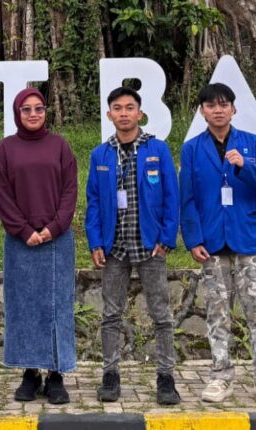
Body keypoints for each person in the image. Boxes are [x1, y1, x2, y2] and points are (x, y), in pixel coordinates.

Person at [179, 82, 256, 404]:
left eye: (224, 104)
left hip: (246, 238)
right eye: (211, 105)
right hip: (211, 241)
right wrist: (193, 239)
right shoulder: (191, 148)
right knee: (217, 314)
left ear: (234, 109)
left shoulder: (253, 143)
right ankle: (221, 377)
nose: (218, 110)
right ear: (202, 111)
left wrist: (244, 165)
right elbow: (187, 198)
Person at [85, 86, 180, 405]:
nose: (123, 113)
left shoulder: (157, 150)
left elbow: (172, 196)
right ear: (109, 114)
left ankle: (166, 377)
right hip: (114, 247)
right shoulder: (101, 154)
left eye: (129, 107)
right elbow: (93, 202)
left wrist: (167, 238)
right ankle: (110, 375)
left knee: (161, 314)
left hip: (150, 246)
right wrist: (95, 241)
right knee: (111, 314)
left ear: (140, 113)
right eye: (117, 108)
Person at [0, 87, 77, 405]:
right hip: (20, 242)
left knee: (56, 307)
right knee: (24, 308)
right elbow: (2, 195)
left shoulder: (60, 146)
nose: (32, 114)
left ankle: (56, 375)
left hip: (57, 240)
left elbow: (70, 191)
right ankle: (30, 373)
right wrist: (24, 230)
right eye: (26, 109)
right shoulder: (6, 148)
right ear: (17, 113)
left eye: (38, 108)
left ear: (45, 112)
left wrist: (53, 228)